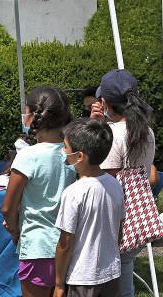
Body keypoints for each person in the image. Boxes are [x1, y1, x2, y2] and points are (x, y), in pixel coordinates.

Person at [1, 86, 77, 297]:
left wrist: (15, 230)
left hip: (37, 246)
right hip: (69, 244)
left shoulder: (28, 156)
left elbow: (8, 207)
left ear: (32, 116)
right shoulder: (74, 154)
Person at [90, 69, 156, 297]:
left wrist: (96, 130)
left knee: (114, 283)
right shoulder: (146, 131)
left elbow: (104, 180)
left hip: (115, 220)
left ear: (104, 102)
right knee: (124, 272)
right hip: (138, 217)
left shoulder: (111, 133)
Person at [54, 118, 125, 297]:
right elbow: (119, 228)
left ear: (79, 156)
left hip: (82, 278)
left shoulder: (73, 193)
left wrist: (59, 284)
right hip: (111, 273)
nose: (63, 151)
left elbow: (65, 243)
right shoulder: (115, 184)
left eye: (66, 147)